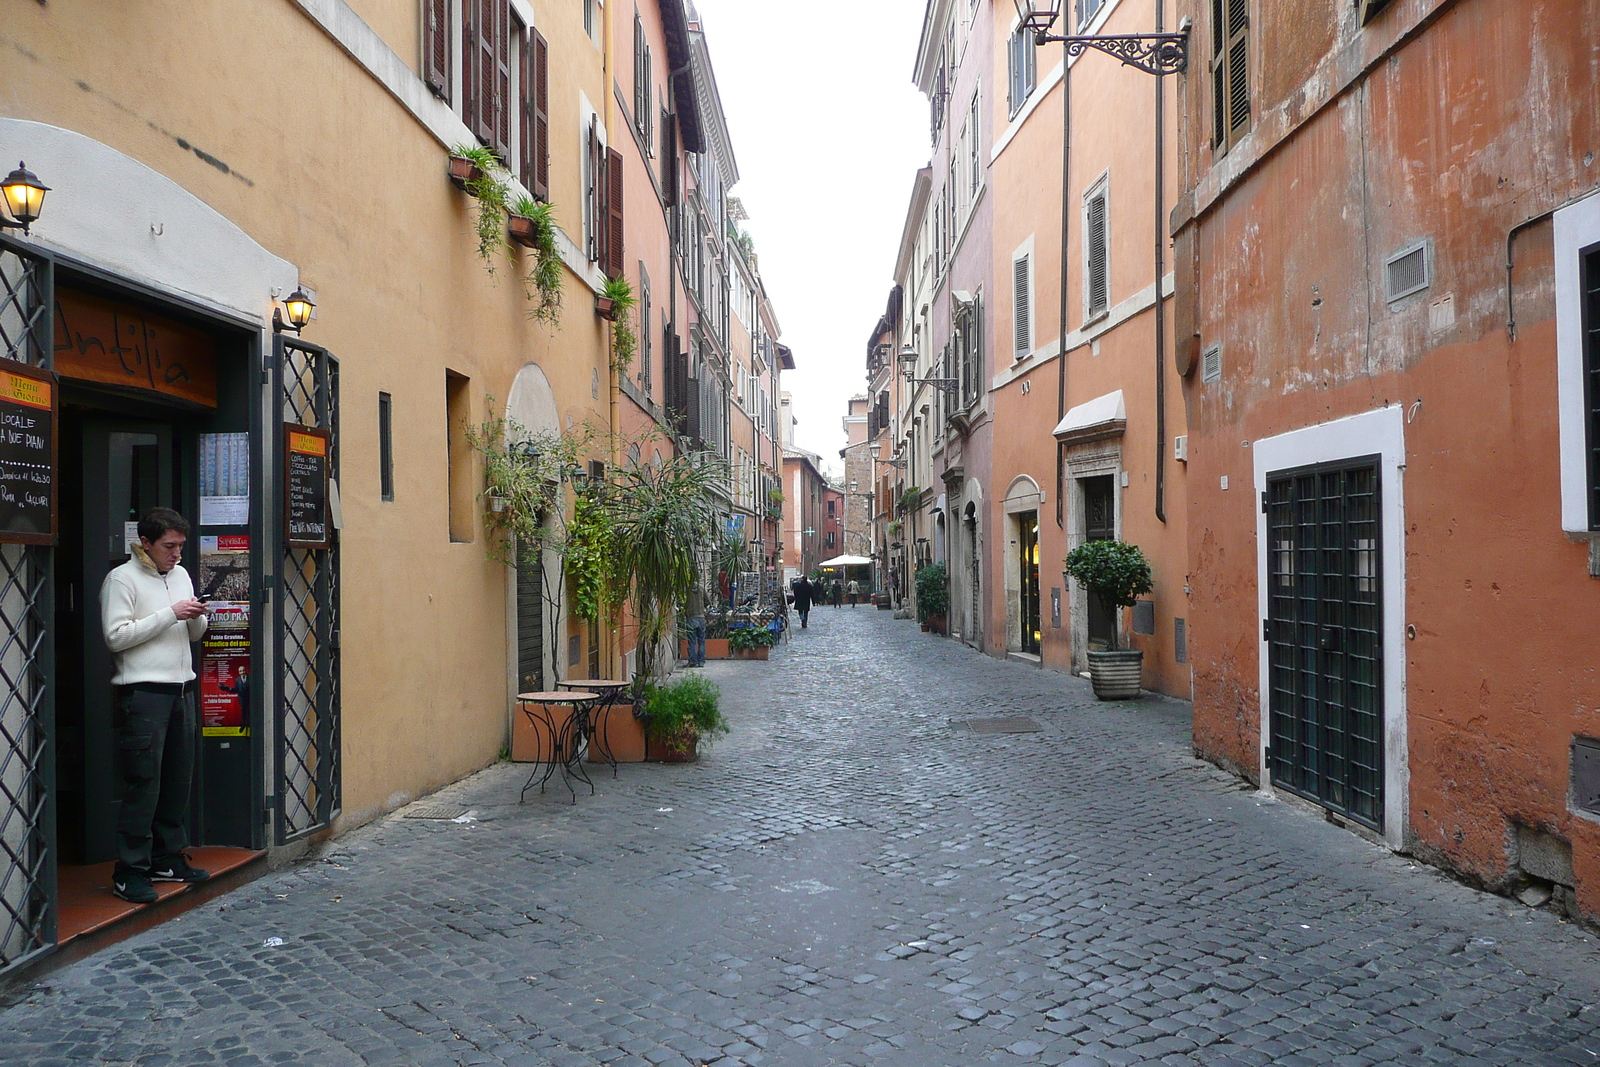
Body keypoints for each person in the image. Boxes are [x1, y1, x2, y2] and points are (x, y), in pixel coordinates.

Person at [101, 507, 211, 904]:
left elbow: (193, 635)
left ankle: (166, 858)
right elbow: (116, 638)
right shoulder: (121, 579)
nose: (177, 554)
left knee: (177, 782)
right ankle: (129, 871)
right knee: (144, 784)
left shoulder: (180, 575)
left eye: (181, 546)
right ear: (145, 543)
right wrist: (170, 614)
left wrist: (197, 615)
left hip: (182, 690)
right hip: (144, 692)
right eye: (169, 546)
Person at [684, 581, 707, 668]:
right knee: (701, 641)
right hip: (701, 617)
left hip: (691, 618)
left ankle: (693, 661)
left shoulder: (686, 589)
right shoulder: (701, 588)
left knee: (692, 642)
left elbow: (683, 603)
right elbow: (708, 601)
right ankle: (701, 661)